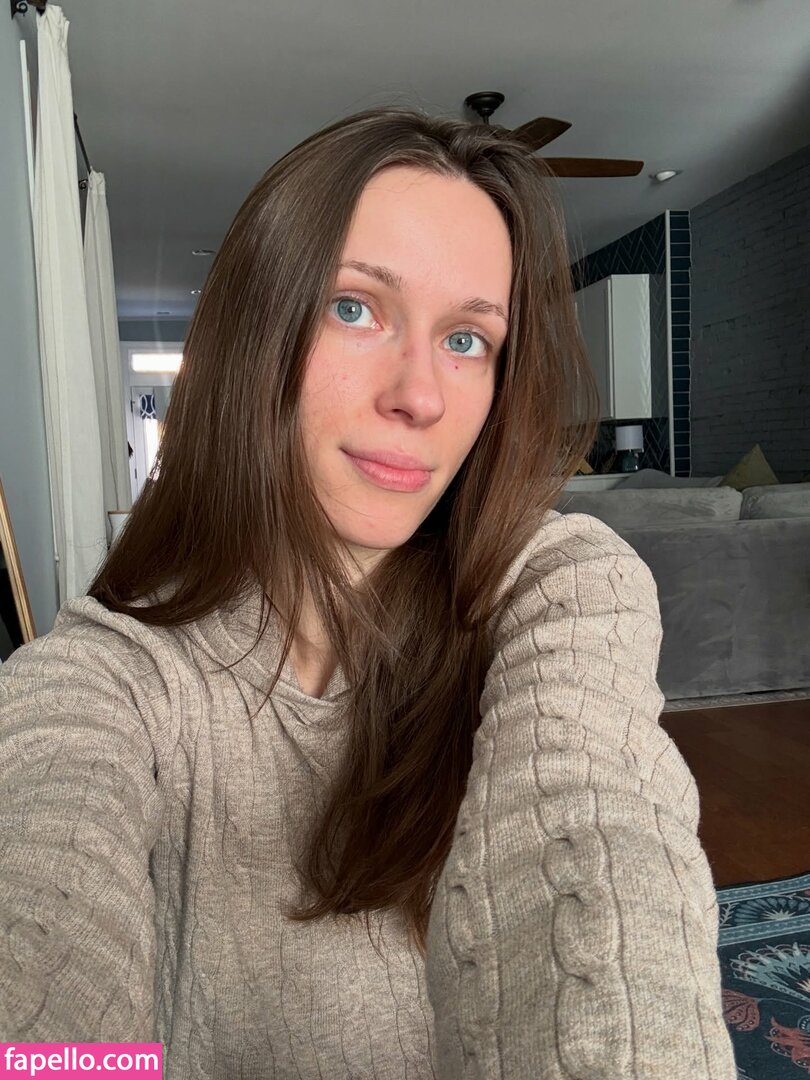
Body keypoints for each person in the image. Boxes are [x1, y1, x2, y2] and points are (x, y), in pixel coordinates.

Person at [0, 107, 736, 1078]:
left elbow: (594, 844)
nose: (420, 395)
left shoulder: (556, 582)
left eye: (467, 338)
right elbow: (46, 998)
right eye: (355, 308)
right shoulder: (113, 676)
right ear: (255, 334)